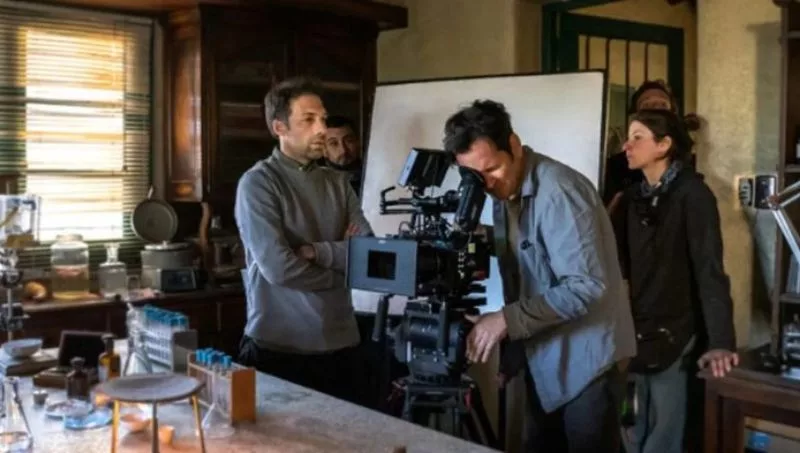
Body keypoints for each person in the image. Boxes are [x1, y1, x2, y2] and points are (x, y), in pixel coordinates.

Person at [443, 99, 636, 453]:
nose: (487, 183)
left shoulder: (559, 192)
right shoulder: (504, 192)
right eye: (476, 177)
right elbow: (530, 266)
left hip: (586, 363)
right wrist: (513, 353)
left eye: (493, 169)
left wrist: (504, 320)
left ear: (514, 145)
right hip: (545, 355)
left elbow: (586, 286)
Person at [234, 76, 373, 405]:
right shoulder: (259, 183)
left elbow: (369, 255)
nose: (322, 129)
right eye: (308, 120)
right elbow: (280, 269)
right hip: (280, 350)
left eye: (322, 118)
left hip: (342, 345)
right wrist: (342, 271)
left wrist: (316, 252)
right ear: (279, 128)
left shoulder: (338, 183)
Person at [610, 109, 738, 453]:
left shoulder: (693, 195)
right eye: (628, 138)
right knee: (631, 428)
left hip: (677, 332)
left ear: (664, 145)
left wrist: (721, 341)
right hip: (636, 331)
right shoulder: (631, 199)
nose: (626, 146)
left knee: (666, 434)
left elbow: (710, 270)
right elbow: (620, 269)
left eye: (638, 138)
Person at [322, 115, 363, 194]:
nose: (343, 150)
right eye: (334, 143)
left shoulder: (374, 174)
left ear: (358, 143)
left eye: (349, 141)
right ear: (324, 150)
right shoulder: (316, 184)